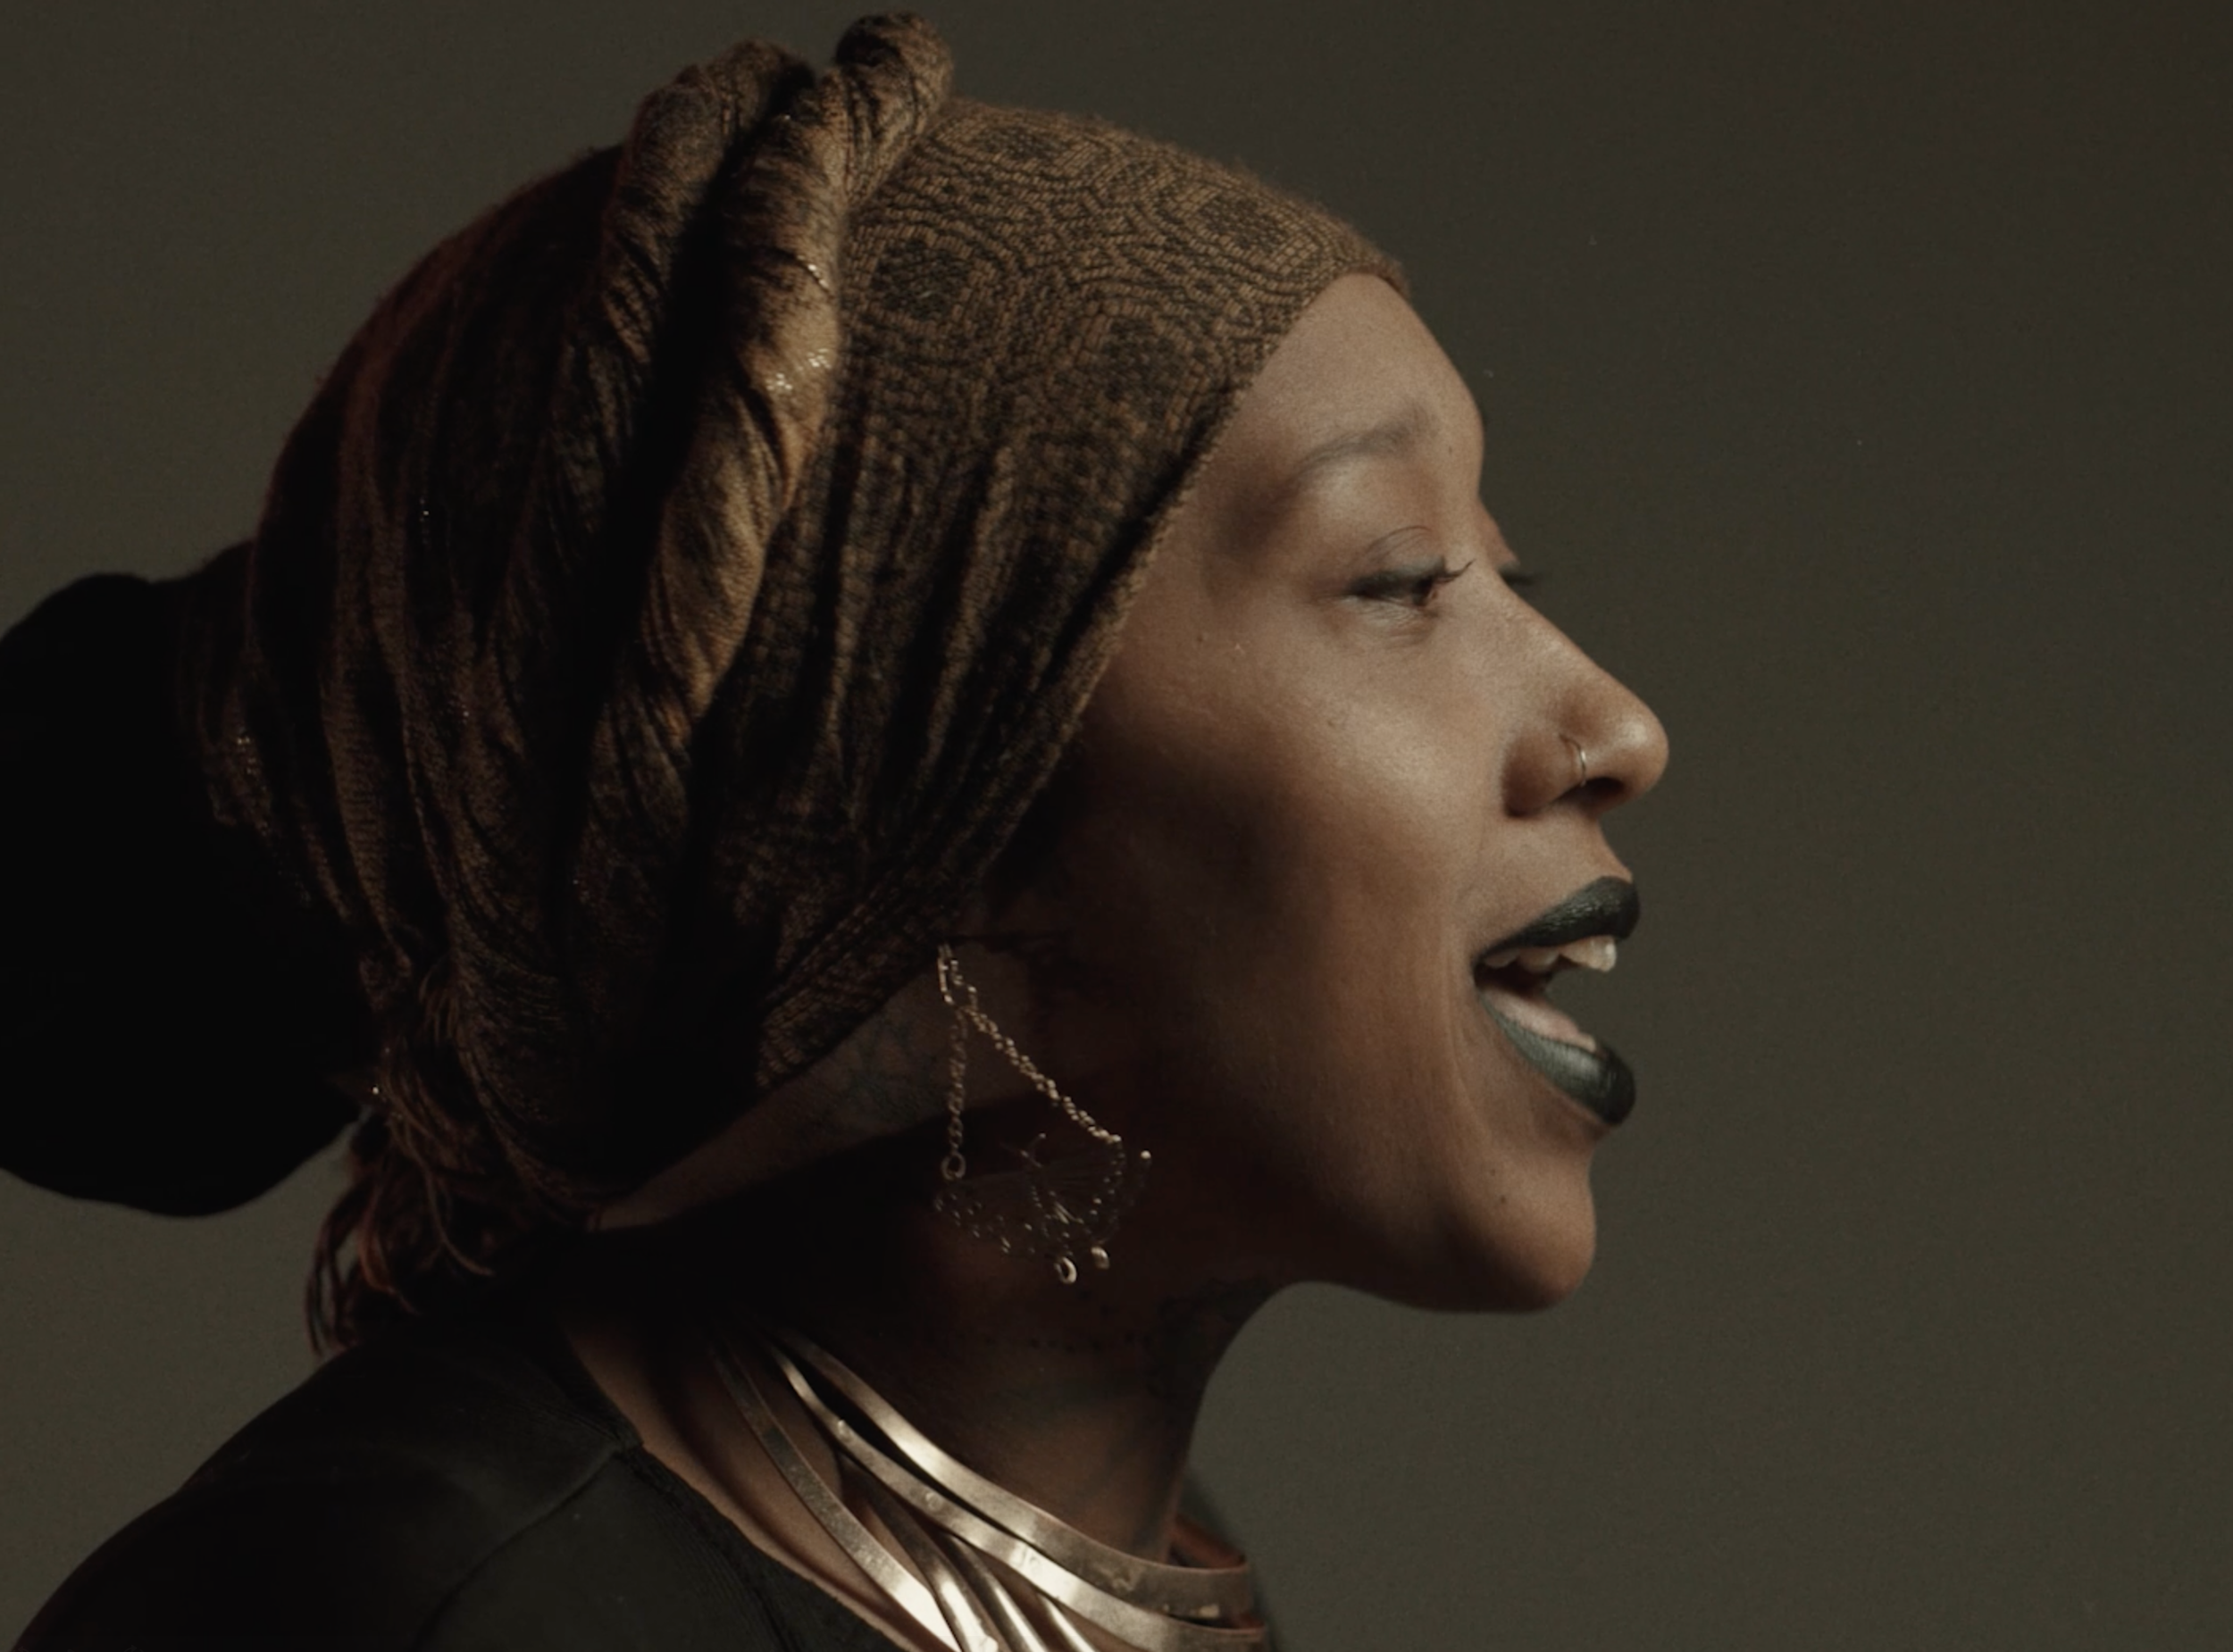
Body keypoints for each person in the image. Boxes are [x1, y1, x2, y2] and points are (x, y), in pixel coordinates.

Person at [4, 13, 1666, 1650]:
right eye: (1400, 580)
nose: (1618, 731)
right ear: (901, 823)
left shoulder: (1108, 1566)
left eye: (1511, 577)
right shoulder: (399, 1610)